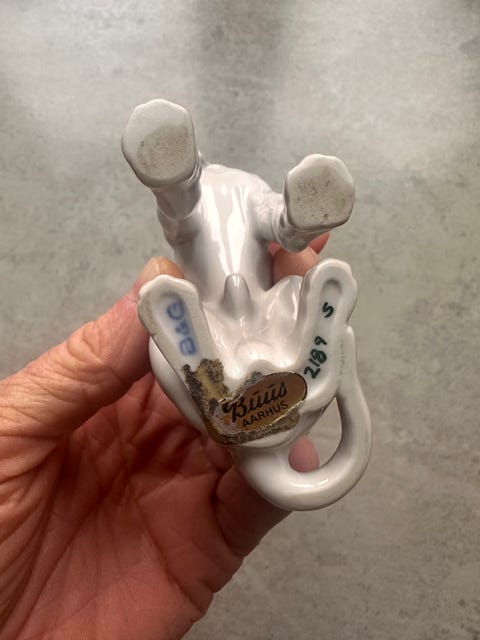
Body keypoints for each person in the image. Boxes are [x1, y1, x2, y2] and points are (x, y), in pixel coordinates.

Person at [0, 238, 327, 640]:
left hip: (240, 371)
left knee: (288, 293)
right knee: (279, 295)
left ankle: (258, 371)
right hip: (230, 374)